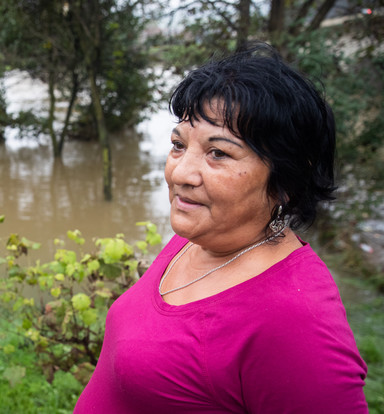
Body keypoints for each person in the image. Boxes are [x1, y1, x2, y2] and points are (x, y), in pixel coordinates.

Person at [74, 43, 367, 413]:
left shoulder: (297, 320)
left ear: (287, 180)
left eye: (219, 153)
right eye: (178, 145)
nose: (180, 173)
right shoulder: (198, 236)